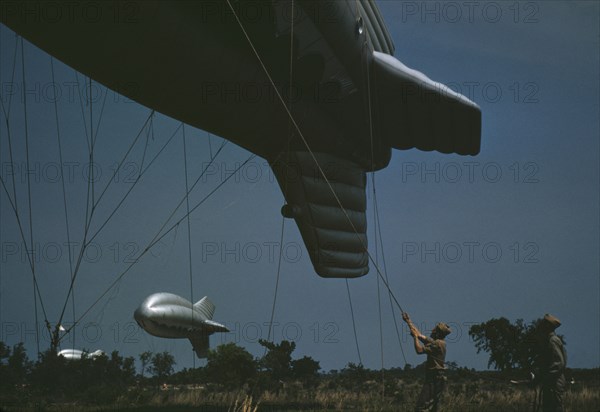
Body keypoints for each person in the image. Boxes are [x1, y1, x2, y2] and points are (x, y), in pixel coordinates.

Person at [402, 312, 451, 412]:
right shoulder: (438, 342)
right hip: (438, 379)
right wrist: (408, 321)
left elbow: (419, 350)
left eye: (434, 329)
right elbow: (419, 334)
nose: (432, 330)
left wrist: (415, 338)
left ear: (437, 333)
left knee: (421, 408)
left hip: (433, 379)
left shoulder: (437, 344)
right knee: (433, 408)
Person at [533, 314, 567, 412]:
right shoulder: (550, 340)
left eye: (543, 324)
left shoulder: (552, 341)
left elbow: (558, 363)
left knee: (554, 408)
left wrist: (544, 376)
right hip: (552, 382)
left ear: (547, 326)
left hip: (554, 383)